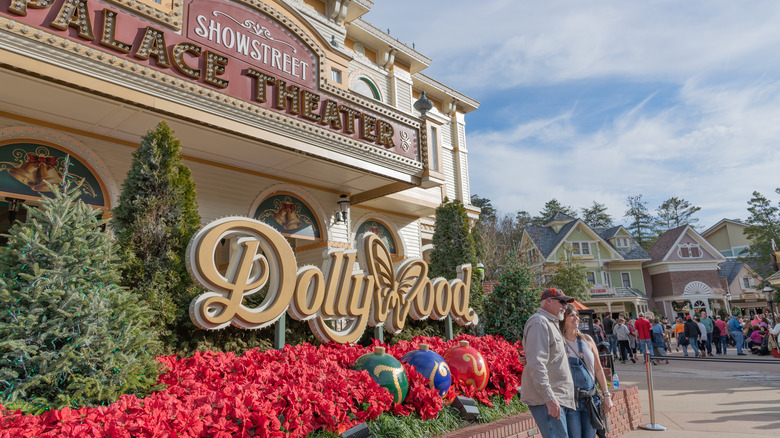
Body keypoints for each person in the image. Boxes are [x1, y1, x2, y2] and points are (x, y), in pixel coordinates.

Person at [521, 288, 576, 437]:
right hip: (548, 400)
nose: (565, 307)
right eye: (562, 302)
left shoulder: (551, 323)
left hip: (557, 398)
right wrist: (549, 398)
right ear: (549, 301)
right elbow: (537, 364)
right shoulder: (539, 323)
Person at [560, 305, 614, 438]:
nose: (576, 318)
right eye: (571, 315)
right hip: (571, 401)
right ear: (563, 319)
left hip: (591, 399)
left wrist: (606, 396)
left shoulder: (587, 340)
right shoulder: (559, 343)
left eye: (577, 315)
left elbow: (598, 369)